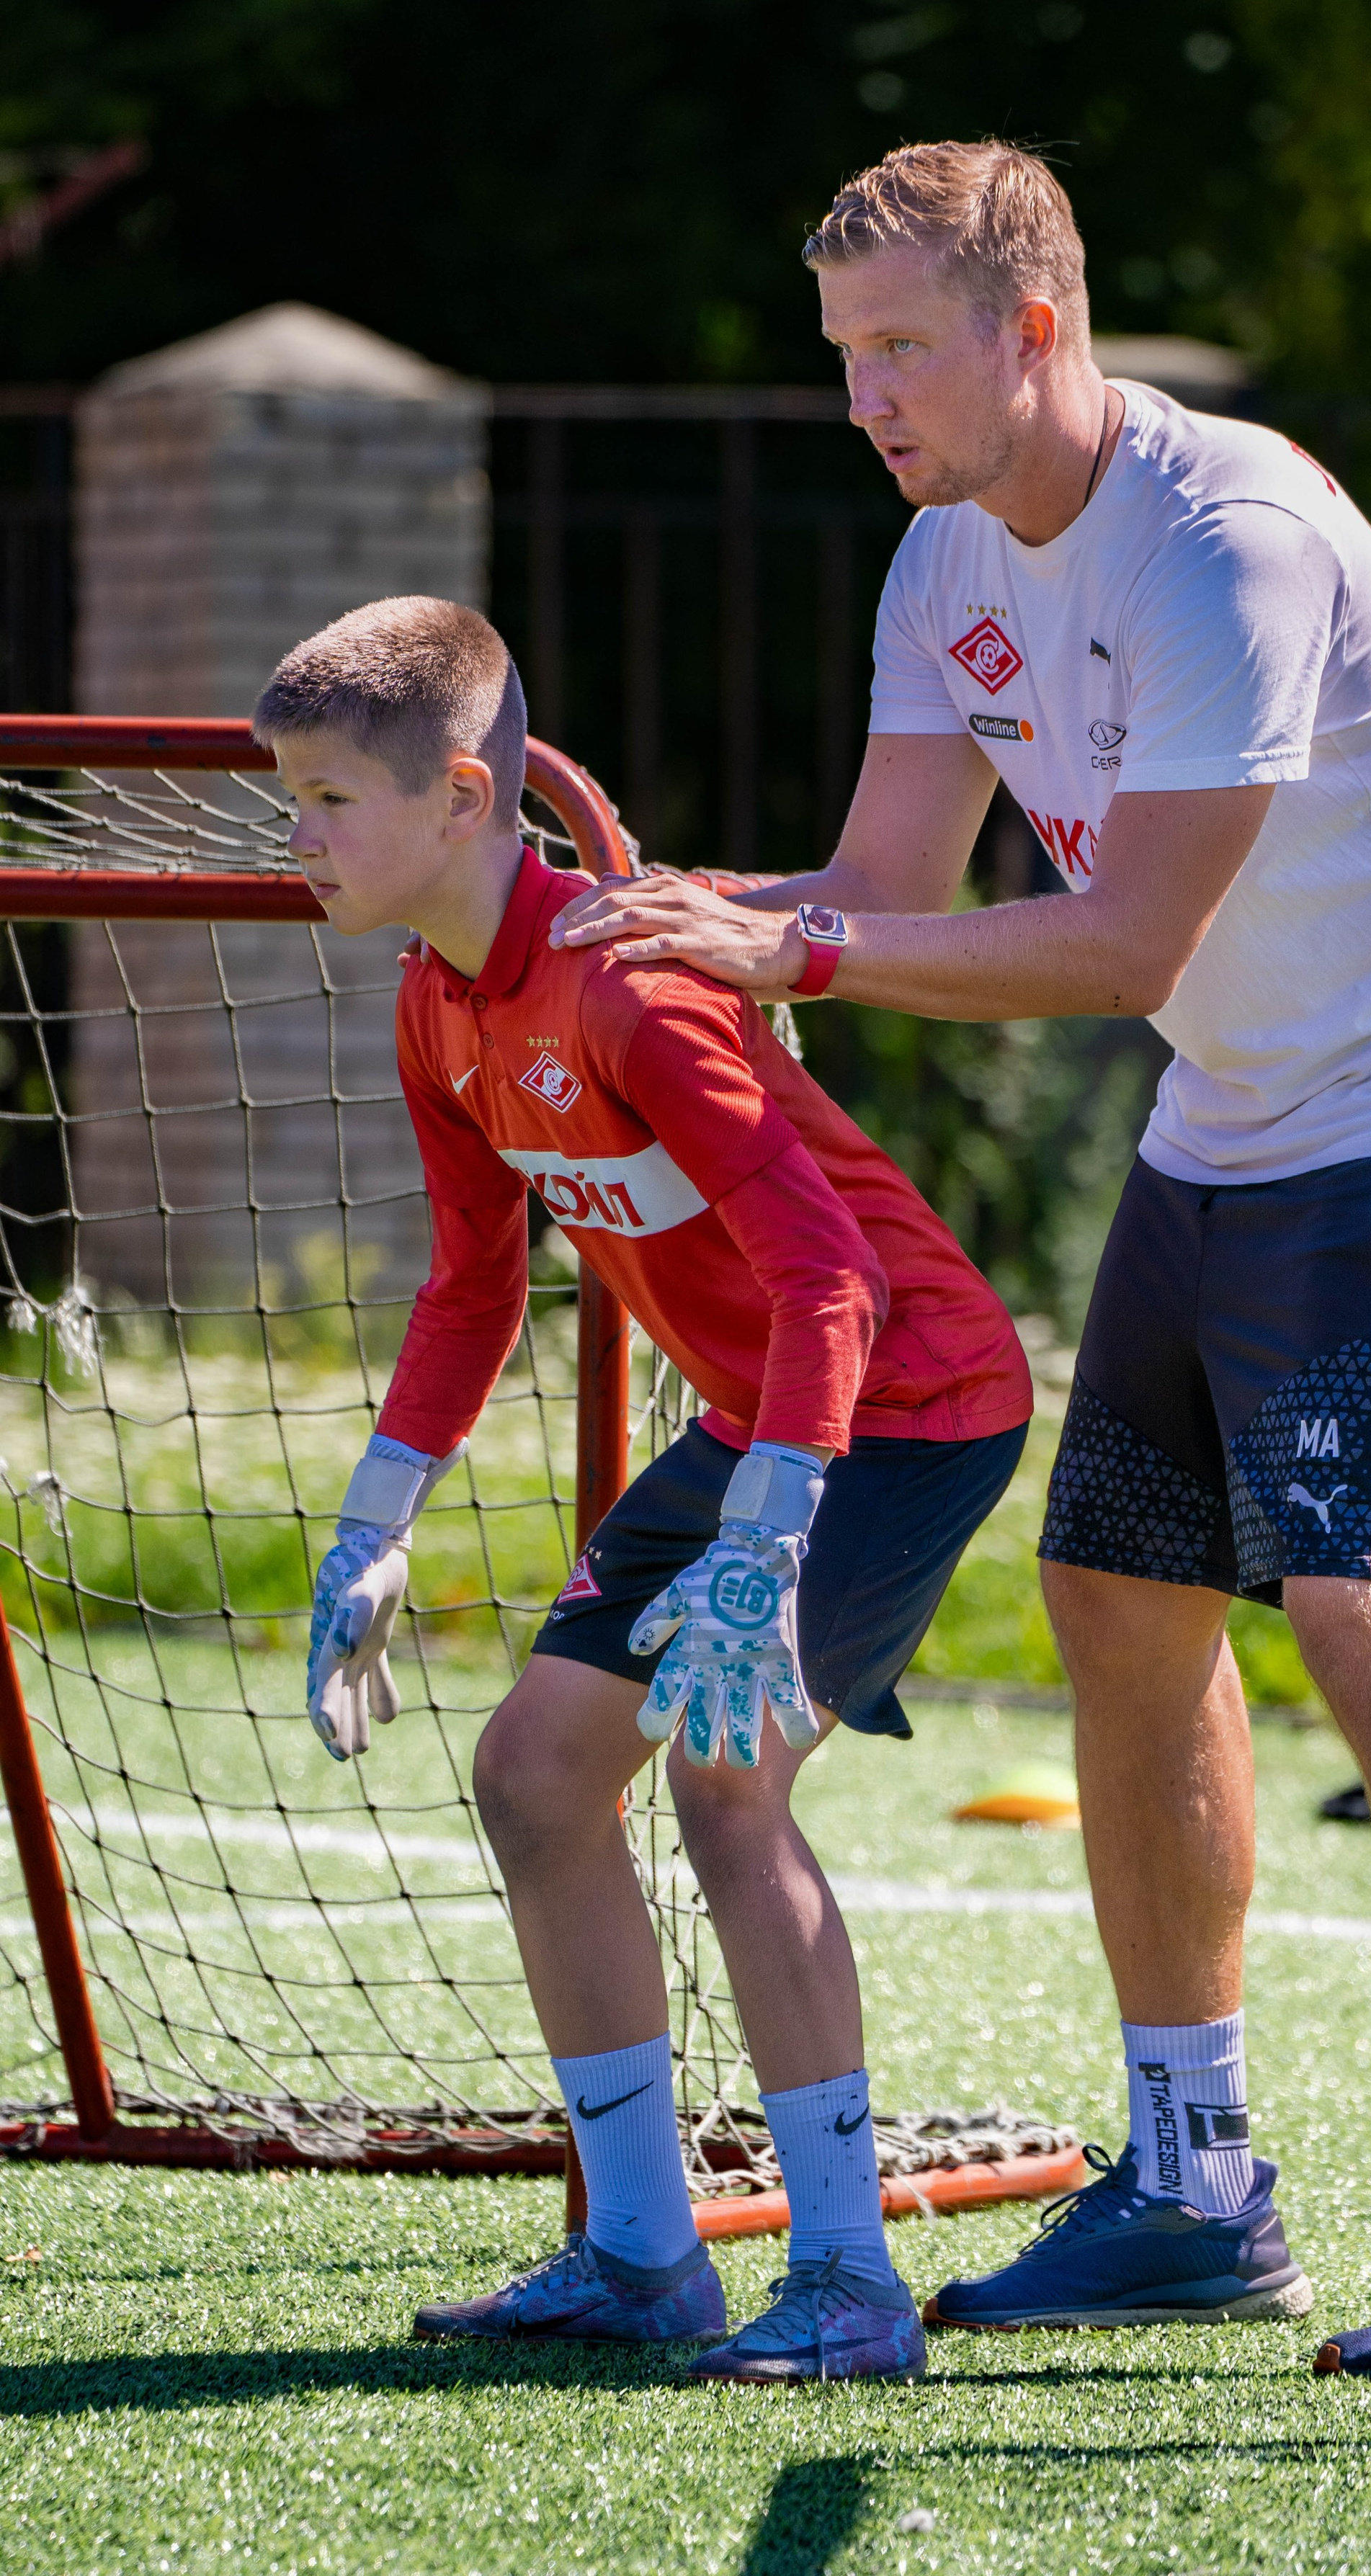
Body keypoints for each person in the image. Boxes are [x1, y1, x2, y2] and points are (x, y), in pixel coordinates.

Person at [547, 140, 1371, 2381]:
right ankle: (1193, 2185)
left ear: (1035, 327)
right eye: (842, 353)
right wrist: (665, 929)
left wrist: (805, 949)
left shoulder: (1220, 537)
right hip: (1232, 1106)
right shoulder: (943, 551)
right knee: (1119, 1599)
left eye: (899, 350)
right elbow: (882, 876)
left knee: (1365, 1603)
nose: (862, 397)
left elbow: (1113, 934)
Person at [258, 594, 1032, 2386]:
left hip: (902, 1408)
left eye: (325, 803)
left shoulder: (626, 986)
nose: (294, 839)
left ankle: (848, 2288)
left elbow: (836, 1283)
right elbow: (471, 1286)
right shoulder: (434, 1000)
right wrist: (373, 1524)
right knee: (533, 1779)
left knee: (722, 1775)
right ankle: (636, 2254)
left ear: (464, 800)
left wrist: (762, 1542)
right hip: (763, 1414)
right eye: (284, 799)